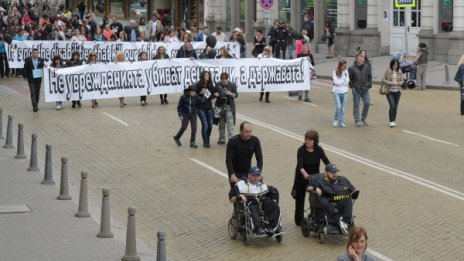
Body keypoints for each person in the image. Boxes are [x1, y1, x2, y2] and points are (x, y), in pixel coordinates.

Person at [291, 129, 330, 226]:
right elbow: (300, 165)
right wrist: (305, 175)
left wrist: (331, 170)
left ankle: (314, 217)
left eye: (310, 140)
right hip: (302, 177)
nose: (307, 142)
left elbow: (326, 161)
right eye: (306, 139)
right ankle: (299, 220)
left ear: (315, 141)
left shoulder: (319, 150)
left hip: (315, 178)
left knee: (315, 197)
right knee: (300, 199)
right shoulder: (301, 150)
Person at [228, 167, 280, 236]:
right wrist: (239, 197)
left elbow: (273, 192)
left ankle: (273, 226)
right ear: (249, 175)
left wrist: (274, 199)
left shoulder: (262, 185)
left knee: (273, 205)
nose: (255, 177)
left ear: (260, 176)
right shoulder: (241, 185)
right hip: (250, 204)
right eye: (253, 175)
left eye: (257, 175)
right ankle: (258, 227)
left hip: (261, 203)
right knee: (252, 207)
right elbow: (231, 198)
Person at [315, 163, 355, 230]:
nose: (334, 174)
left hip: (342, 201)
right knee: (325, 202)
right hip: (330, 202)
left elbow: (352, 189)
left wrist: (354, 193)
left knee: (348, 199)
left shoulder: (343, 179)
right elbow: (311, 187)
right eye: (331, 172)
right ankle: (336, 221)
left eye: (335, 172)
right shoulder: (321, 182)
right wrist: (316, 188)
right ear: (326, 173)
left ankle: (347, 221)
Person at [226, 122, 263, 187]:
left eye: (250, 131)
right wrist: (232, 174)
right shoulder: (233, 141)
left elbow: (259, 158)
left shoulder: (255, 140)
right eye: (246, 131)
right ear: (241, 131)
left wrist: (258, 173)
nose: (249, 134)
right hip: (235, 172)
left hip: (248, 172)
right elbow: (229, 160)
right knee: (237, 193)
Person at [348, 53, 372, 127]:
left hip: (365, 88)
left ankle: (363, 118)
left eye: (362, 59)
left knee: (367, 102)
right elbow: (349, 79)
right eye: (360, 59)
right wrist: (353, 87)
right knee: (356, 104)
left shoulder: (367, 67)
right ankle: (357, 120)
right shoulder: (351, 68)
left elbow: (370, 76)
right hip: (356, 89)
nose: (362, 60)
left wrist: (369, 84)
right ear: (356, 59)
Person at [215, 72, 238, 144]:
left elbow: (236, 95)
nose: (224, 80)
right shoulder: (218, 85)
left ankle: (231, 140)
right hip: (220, 107)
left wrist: (230, 93)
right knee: (221, 124)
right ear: (220, 79)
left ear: (227, 79)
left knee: (230, 124)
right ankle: (221, 139)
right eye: (222, 79)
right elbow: (215, 93)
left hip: (229, 107)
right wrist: (216, 94)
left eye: (225, 79)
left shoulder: (232, 85)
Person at [195, 71, 216, 148]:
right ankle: (205, 142)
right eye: (206, 75)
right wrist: (200, 93)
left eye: (208, 75)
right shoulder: (198, 85)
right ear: (202, 76)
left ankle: (207, 139)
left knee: (210, 125)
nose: (208, 76)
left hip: (209, 107)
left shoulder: (210, 84)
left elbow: (213, 95)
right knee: (205, 125)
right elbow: (194, 95)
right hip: (200, 108)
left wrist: (208, 94)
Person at [382, 59, 404, 127]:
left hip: (397, 92)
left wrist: (398, 83)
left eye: (396, 65)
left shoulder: (400, 71)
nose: (395, 66)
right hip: (389, 91)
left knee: (395, 107)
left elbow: (402, 80)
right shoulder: (388, 71)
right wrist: (391, 83)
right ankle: (391, 121)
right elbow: (383, 79)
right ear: (391, 65)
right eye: (394, 65)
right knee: (392, 106)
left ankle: (394, 120)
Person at [332, 60, 349, 128]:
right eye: (343, 65)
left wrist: (343, 81)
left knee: (343, 108)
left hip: (344, 91)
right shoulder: (335, 72)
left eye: (345, 65)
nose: (344, 67)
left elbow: (347, 81)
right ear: (340, 65)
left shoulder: (346, 72)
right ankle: (336, 120)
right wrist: (343, 80)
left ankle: (341, 121)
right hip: (336, 91)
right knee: (338, 107)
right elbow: (336, 82)